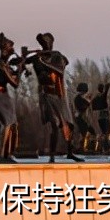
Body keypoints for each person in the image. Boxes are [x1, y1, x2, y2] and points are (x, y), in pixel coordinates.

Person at [23, 32, 79, 162]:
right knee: (54, 124)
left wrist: (43, 61)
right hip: (46, 95)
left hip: (59, 94)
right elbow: (19, 62)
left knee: (69, 125)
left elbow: (60, 69)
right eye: (43, 42)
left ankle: (70, 152)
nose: (45, 44)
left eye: (46, 42)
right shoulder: (37, 58)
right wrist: (24, 57)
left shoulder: (57, 56)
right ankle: (52, 156)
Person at [0, 33, 23, 162]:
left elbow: (13, 77)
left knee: (13, 123)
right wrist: (19, 70)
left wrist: (20, 69)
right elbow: (15, 84)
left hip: (4, 94)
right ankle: (2, 155)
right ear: (4, 49)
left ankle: (8, 154)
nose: (12, 49)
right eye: (10, 47)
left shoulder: (5, 65)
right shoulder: (1, 66)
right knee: (7, 123)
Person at [93, 83, 110, 153]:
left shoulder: (95, 97)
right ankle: (105, 148)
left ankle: (99, 147)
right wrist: (107, 87)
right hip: (104, 117)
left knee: (103, 133)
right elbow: (105, 93)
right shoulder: (102, 96)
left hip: (99, 117)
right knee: (106, 133)